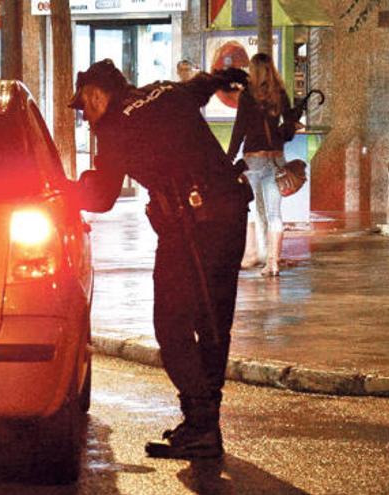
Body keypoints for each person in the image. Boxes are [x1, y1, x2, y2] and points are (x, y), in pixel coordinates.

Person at [68, 59, 252, 459]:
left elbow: (101, 196)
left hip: (193, 226)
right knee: (213, 321)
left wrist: (60, 193)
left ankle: (202, 422)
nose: (85, 118)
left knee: (171, 324)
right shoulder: (165, 91)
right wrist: (223, 76)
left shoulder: (114, 126)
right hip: (232, 211)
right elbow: (199, 86)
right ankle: (204, 425)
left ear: (97, 94)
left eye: (83, 107)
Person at [227, 53, 297, 277]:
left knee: (247, 209)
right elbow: (288, 132)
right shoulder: (281, 95)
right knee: (274, 213)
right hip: (276, 159)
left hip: (253, 159)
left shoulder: (248, 96)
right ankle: (273, 263)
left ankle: (250, 255)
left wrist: (229, 157)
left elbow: (239, 129)